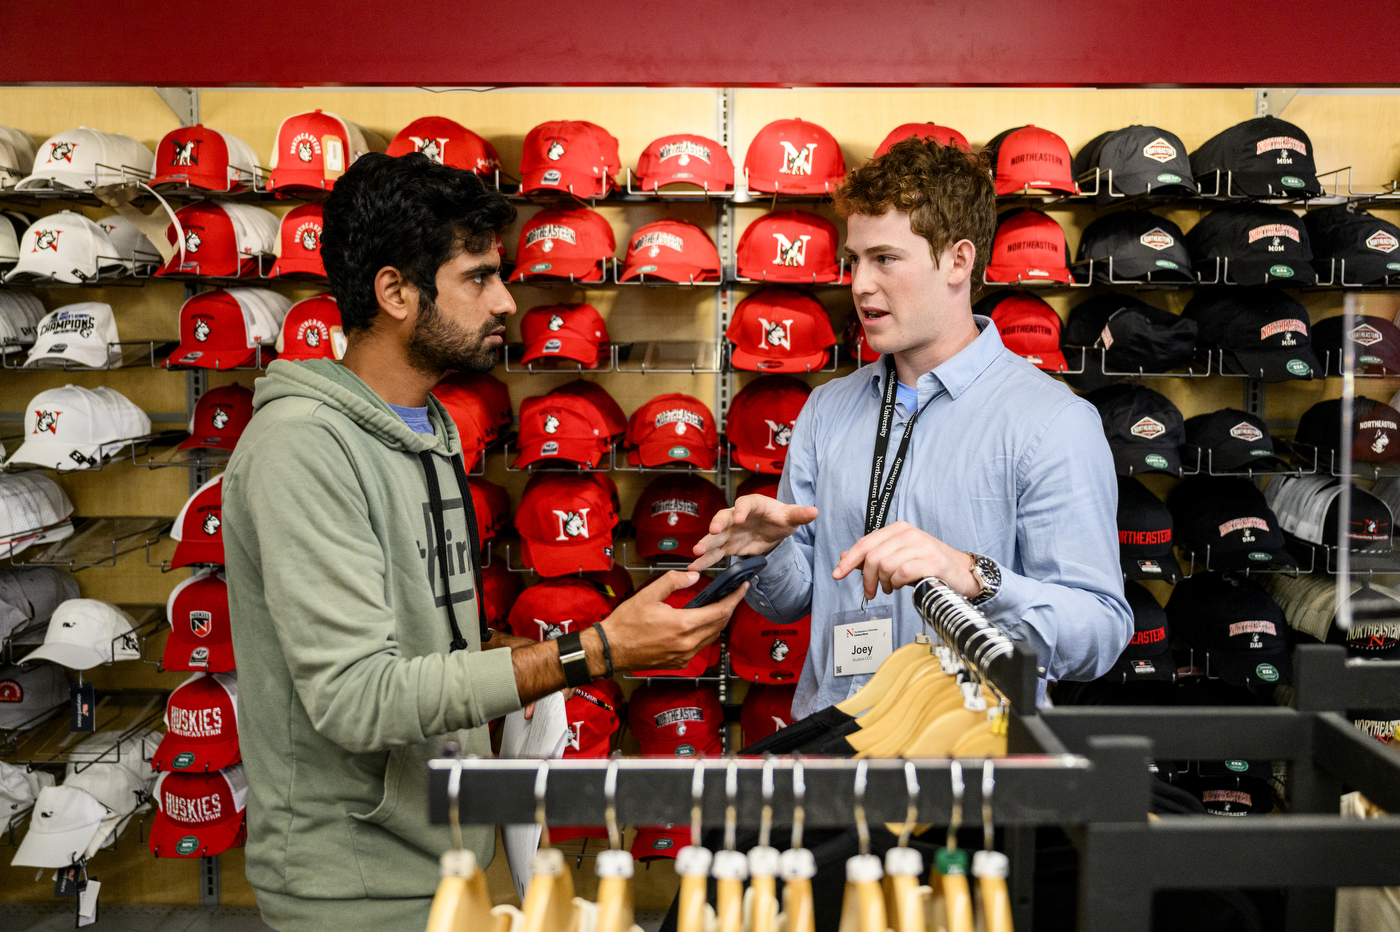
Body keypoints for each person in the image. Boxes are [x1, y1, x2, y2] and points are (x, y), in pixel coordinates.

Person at [223, 153, 746, 932]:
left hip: (446, 854)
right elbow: (357, 699)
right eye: (476, 278)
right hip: (354, 887)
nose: (505, 300)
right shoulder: (301, 450)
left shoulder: (427, 429)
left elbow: (439, 644)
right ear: (396, 291)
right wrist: (598, 652)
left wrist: (610, 633)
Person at [692, 138, 1132, 718]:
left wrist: (974, 577)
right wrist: (769, 553)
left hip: (970, 775)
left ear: (958, 260)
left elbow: (1099, 632)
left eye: (885, 259)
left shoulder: (1052, 422)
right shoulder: (826, 410)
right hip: (833, 755)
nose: (859, 285)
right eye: (855, 260)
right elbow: (795, 602)